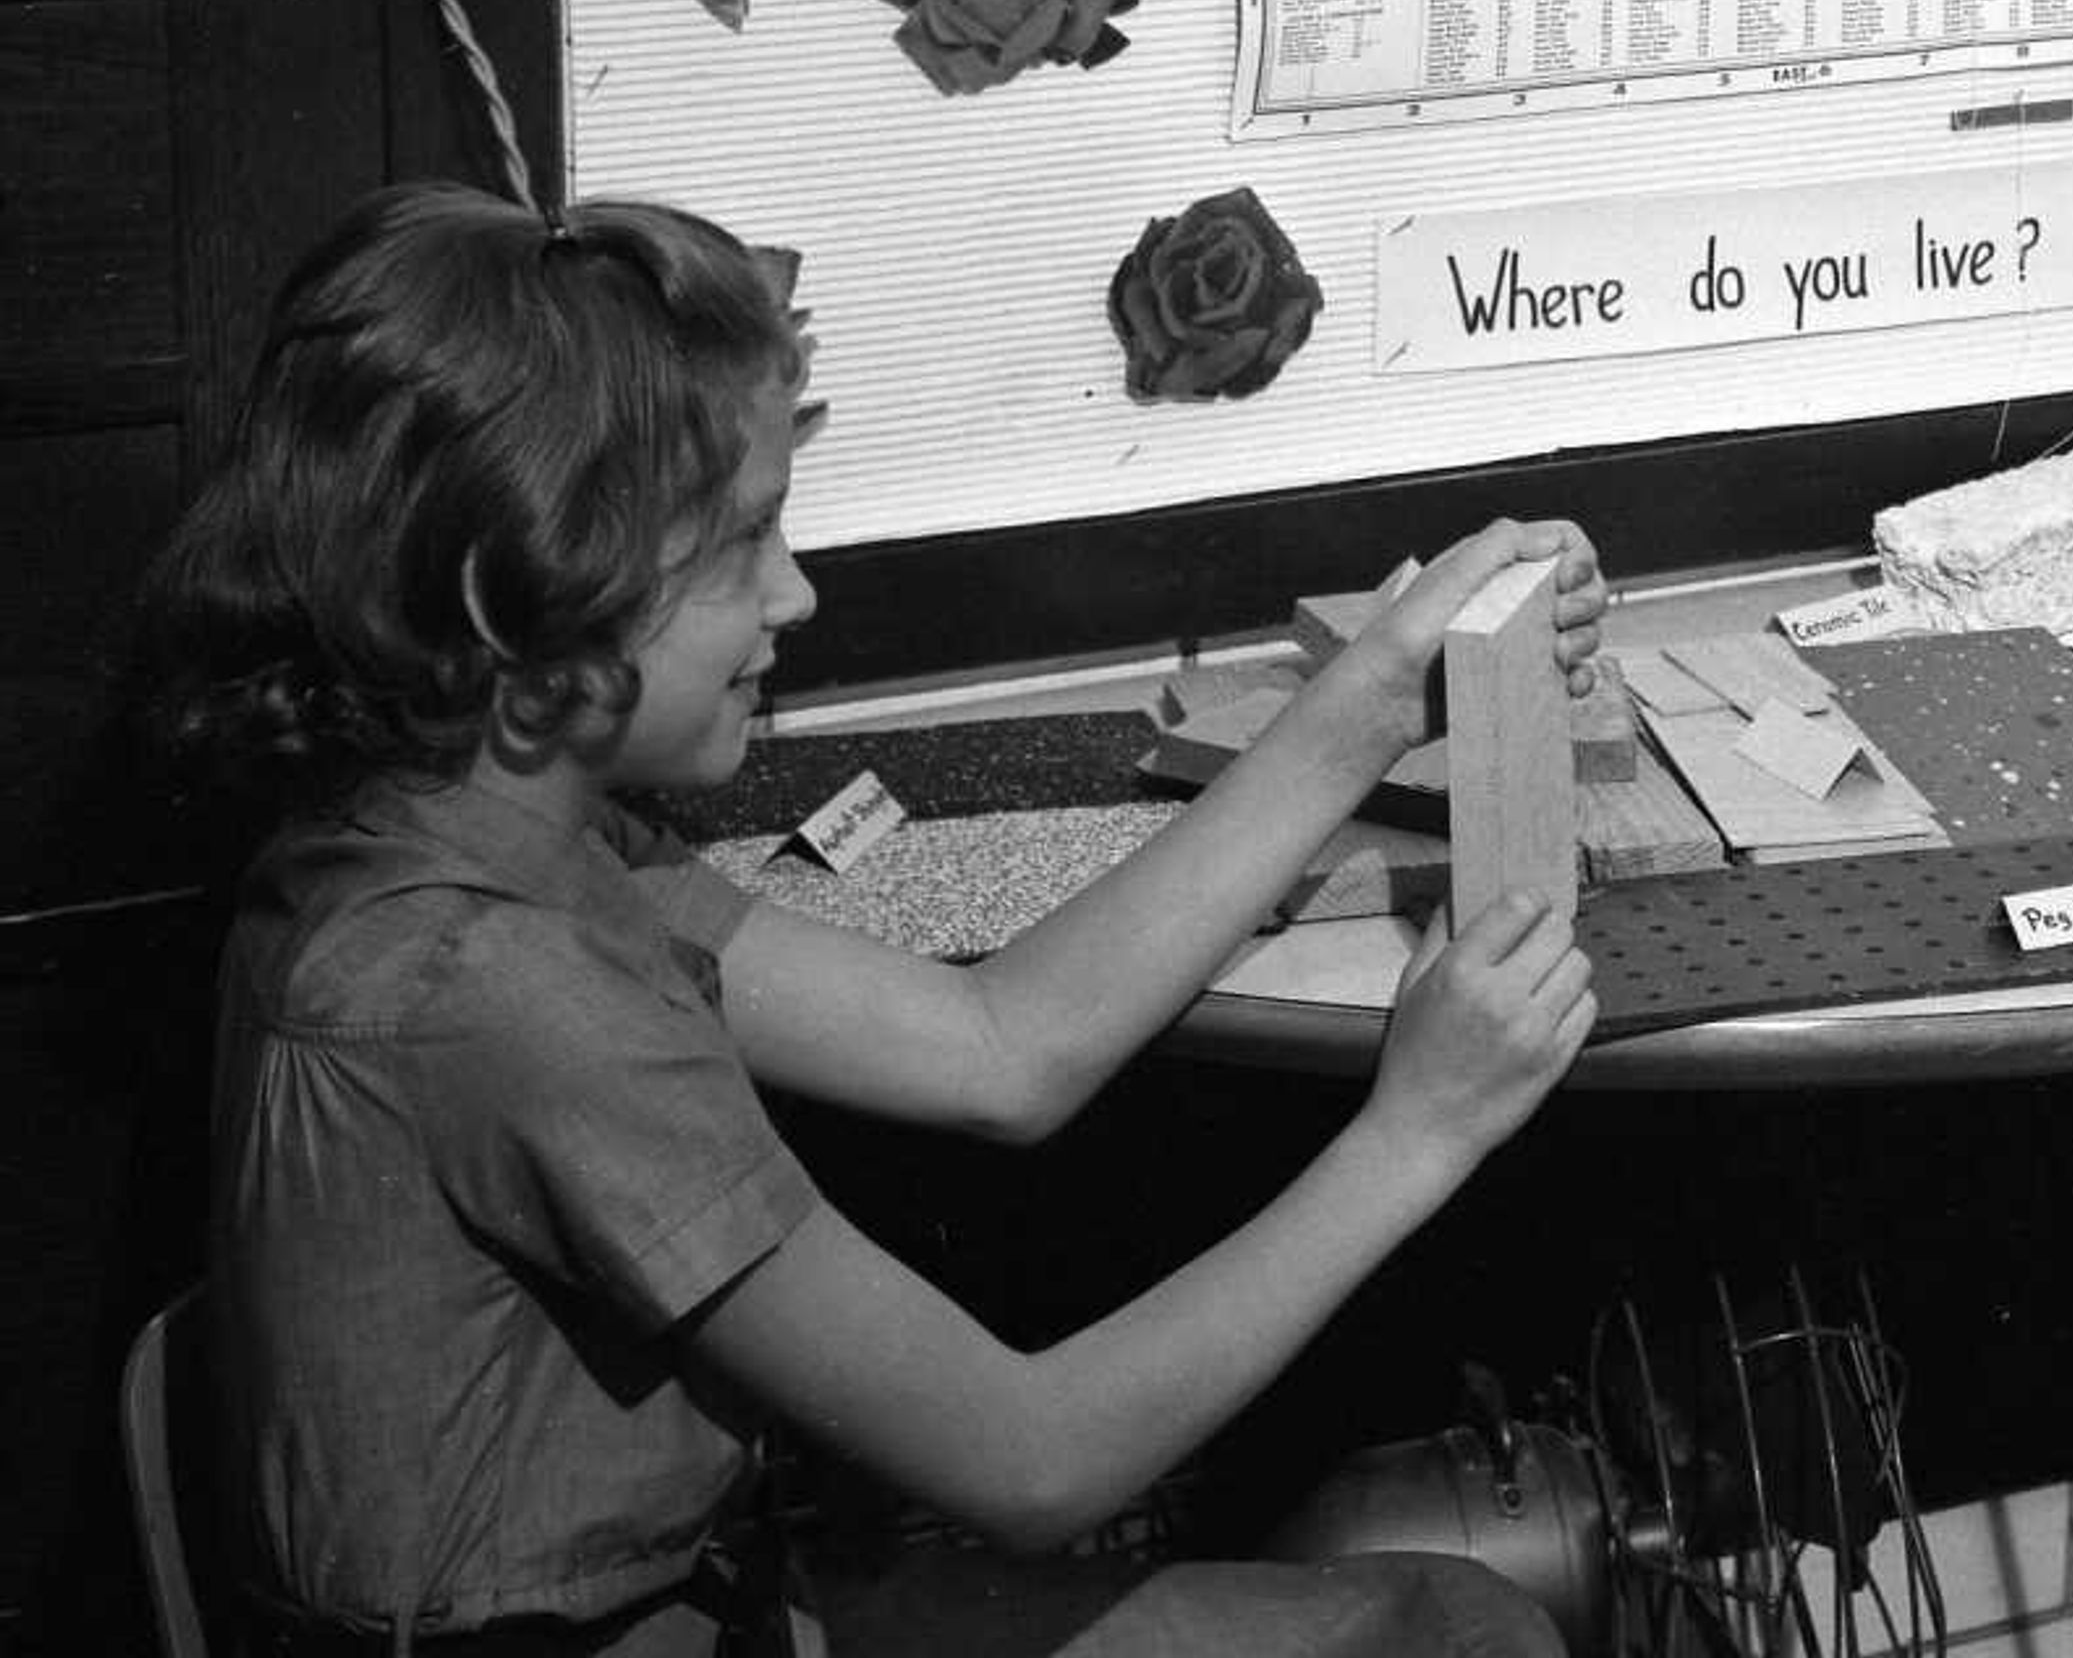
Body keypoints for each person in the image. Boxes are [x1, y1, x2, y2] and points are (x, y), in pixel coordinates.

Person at [138, 182, 1608, 1658]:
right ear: (519, 595)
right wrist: (1421, 1130)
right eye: (743, 547)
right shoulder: (502, 987)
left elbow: (999, 1045)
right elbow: (1039, 1462)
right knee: (1459, 1633)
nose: (798, 591)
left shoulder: (452, 835)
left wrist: (1368, 697)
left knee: (1447, 1616)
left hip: (658, 1603)